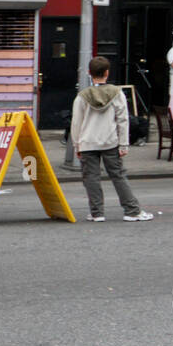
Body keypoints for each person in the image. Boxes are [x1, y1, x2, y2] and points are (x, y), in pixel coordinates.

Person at [70, 55, 153, 223]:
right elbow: (123, 120)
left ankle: (96, 213)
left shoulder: (82, 96)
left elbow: (76, 123)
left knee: (91, 178)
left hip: (87, 142)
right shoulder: (117, 93)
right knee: (118, 176)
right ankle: (132, 211)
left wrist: (77, 144)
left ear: (89, 73)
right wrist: (124, 144)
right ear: (107, 73)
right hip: (110, 141)